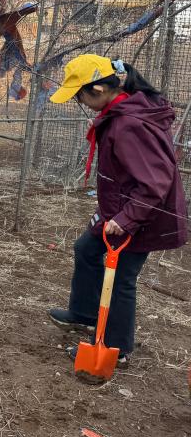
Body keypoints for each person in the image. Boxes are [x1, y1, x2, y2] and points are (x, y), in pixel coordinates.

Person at [47, 55, 187, 366]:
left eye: (79, 96)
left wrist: (126, 219)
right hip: (122, 208)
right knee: (86, 248)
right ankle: (84, 313)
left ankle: (115, 348)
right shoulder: (119, 113)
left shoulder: (129, 124)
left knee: (122, 277)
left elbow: (154, 183)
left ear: (98, 89)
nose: (80, 103)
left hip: (143, 215)